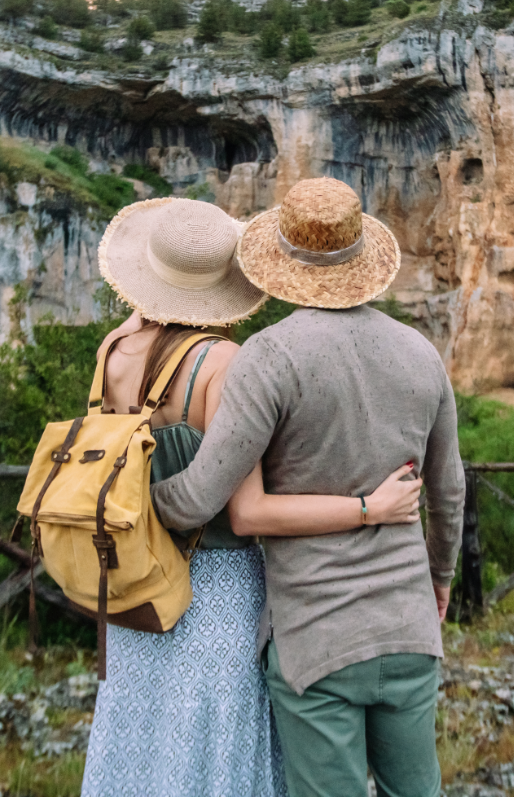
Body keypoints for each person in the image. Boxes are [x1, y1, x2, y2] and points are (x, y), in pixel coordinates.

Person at [80, 196, 422, 797]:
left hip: (134, 581)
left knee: (150, 749)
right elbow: (249, 513)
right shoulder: (223, 363)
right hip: (211, 591)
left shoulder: (113, 350)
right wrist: (370, 508)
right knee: (219, 752)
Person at [153, 177, 466, 797]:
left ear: (281, 261)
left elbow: (198, 499)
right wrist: (439, 580)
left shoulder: (269, 358)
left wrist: (128, 500)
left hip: (315, 641)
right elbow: (449, 492)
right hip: (408, 628)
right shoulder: (421, 353)